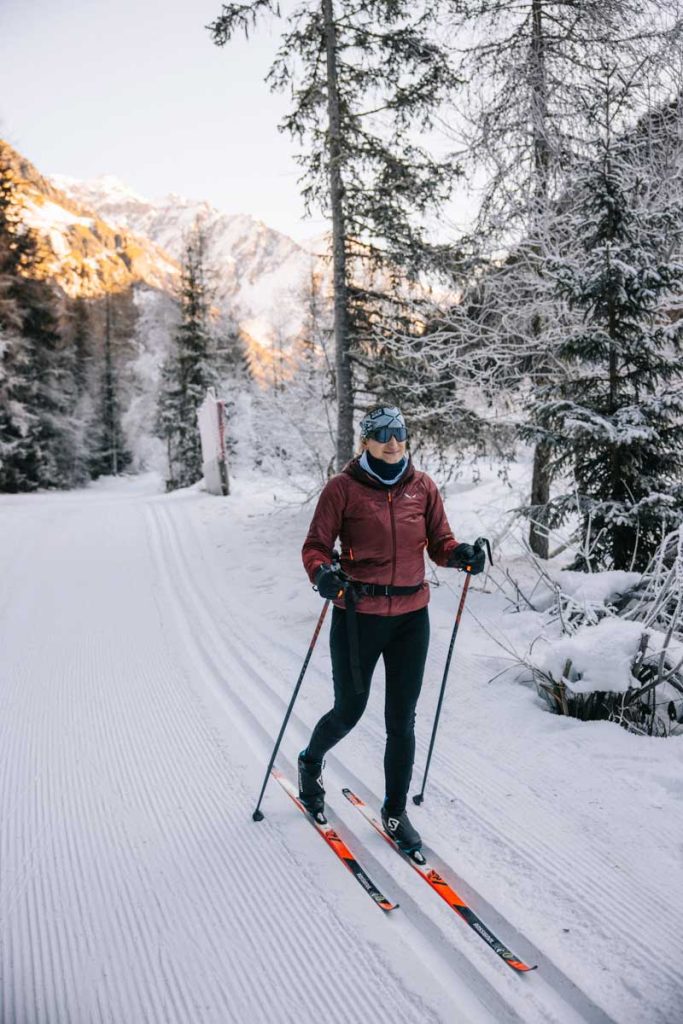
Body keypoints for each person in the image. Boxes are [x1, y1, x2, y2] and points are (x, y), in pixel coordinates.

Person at [298, 405, 486, 853]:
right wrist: (323, 573)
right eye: (380, 433)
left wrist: (461, 553)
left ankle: (395, 812)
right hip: (357, 615)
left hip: (409, 619)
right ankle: (310, 762)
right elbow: (316, 546)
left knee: (401, 720)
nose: (392, 440)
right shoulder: (341, 489)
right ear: (365, 441)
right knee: (349, 710)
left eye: (398, 431)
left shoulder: (423, 488)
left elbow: (439, 543)